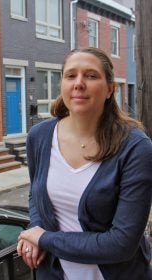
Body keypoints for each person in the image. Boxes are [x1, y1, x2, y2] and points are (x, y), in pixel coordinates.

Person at [17, 47, 152, 279]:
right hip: (54, 272)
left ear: (110, 89)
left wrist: (44, 238)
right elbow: (35, 195)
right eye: (71, 75)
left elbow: (121, 243)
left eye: (91, 76)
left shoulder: (135, 147)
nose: (79, 83)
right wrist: (34, 230)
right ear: (62, 85)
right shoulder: (39, 136)